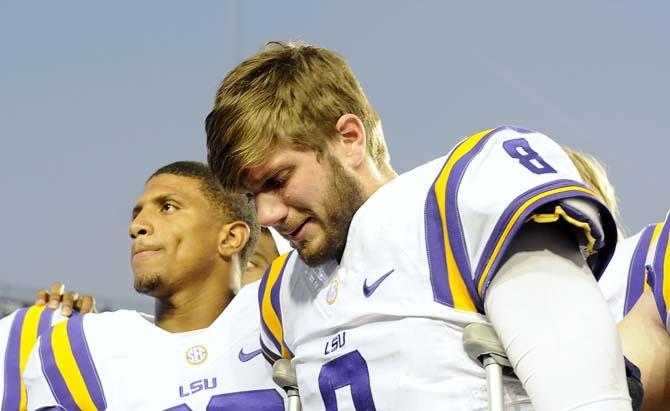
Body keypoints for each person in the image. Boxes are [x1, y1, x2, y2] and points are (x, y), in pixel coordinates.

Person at [205, 41, 630, 410]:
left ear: (350, 139)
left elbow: (588, 401)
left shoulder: (454, 200)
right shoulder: (282, 292)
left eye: (277, 181)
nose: (265, 216)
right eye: (251, 196)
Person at [22, 161, 286, 410]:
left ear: (230, 238)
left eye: (168, 207)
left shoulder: (291, 318)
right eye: (137, 214)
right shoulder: (83, 349)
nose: (136, 227)